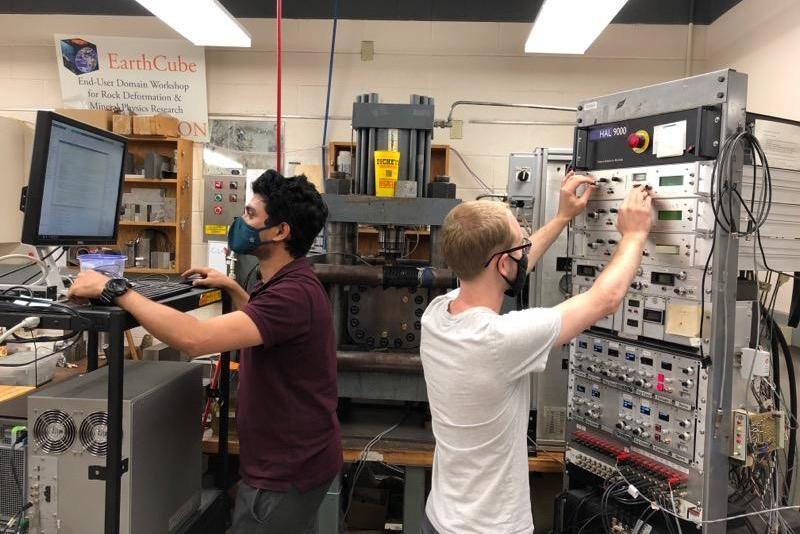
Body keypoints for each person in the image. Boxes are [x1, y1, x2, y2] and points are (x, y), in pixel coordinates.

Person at [68, 170, 341, 534]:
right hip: (296, 461)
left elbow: (194, 339)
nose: (240, 222)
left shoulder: (290, 295)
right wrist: (230, 285)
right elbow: (264, 328)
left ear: (280, 232)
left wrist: (117, 290)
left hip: (285, 472)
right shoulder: (287, 281)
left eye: (250, 214)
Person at [419, 173, 653, 534]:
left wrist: (561, 218)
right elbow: (604, 299)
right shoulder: (499, 339)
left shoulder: (437, 313)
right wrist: (635, 234)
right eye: (520, 245)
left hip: (439, 519)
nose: (525, 248)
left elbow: (512, 266)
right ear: (501, 263)